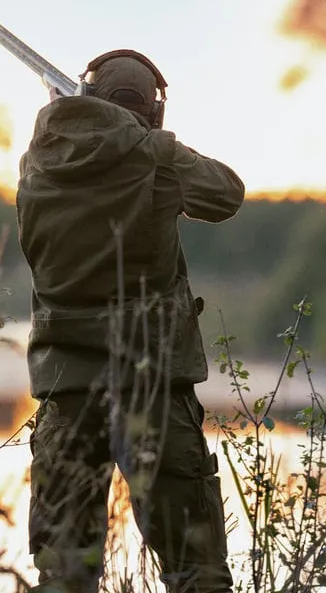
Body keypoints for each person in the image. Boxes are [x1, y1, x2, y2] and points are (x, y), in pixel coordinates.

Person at [15, 48, 245, 592]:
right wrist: (158, 144)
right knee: (197, 574)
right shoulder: (155, 158)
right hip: (154, 393)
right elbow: (226, 194)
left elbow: (82, 149)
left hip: (66, 394)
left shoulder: (38, 162)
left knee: (64, 578)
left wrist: (75, 114)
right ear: (154, 111)